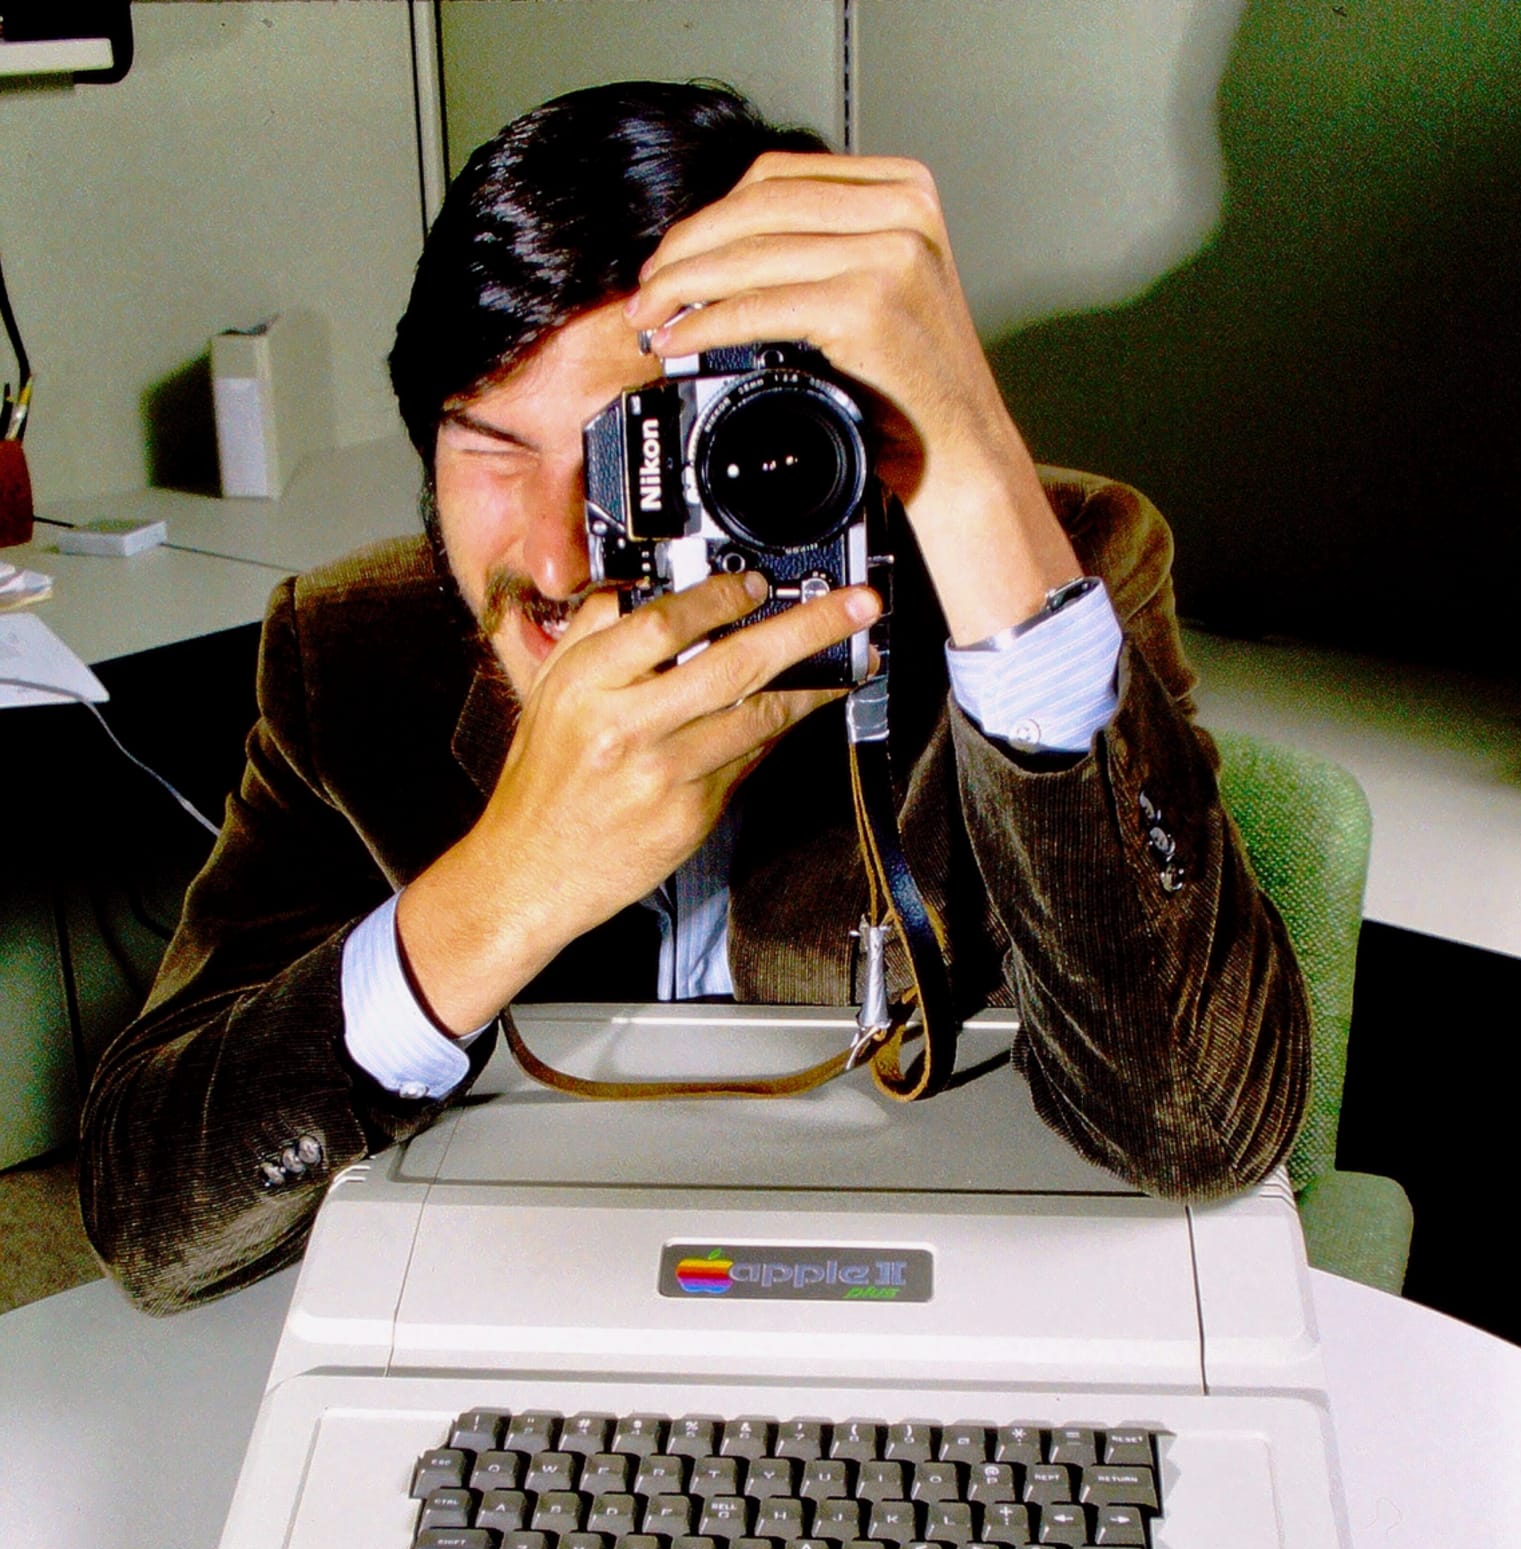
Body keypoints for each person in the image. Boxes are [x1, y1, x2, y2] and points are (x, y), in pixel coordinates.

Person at [79, 81, 1309, 1314]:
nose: (560, 558)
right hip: (535, 1299)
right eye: (493, 451)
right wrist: (509, 886)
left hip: (940, 1298)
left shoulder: (1032, 562)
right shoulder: (351, 643)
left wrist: (972, 468)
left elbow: (1196, 1128)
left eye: (643, 451)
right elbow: (147, 1214)